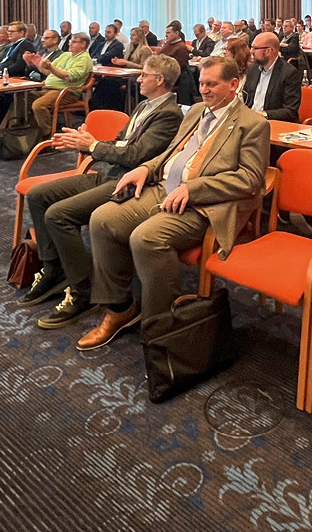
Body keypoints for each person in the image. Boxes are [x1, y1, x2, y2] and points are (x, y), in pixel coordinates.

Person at [78, 56, 270, 350]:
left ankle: (161, 324)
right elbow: (170, 153)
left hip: (202, 203)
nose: (204, 90)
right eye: (202, 83)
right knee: (103, 219)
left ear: (233, 85)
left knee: (146, 238)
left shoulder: (252, 124)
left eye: (212, 84)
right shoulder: (195, 112)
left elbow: (250, 179)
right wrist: (146, 168)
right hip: (164, 187)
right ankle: (119, 309)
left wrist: (194, 189)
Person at [20, 56, 184, 328]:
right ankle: (53, 269)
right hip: (108, 172)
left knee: (58, 216)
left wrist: (94, 146)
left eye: (144, 75)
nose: (139, 78)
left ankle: (83, 290)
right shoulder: (144, 105)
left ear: (160, 80)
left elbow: (135, 156)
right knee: (38, 196)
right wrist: (84, 143)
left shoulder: (169, 114)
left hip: (127, 184)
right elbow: (120, 142)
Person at [21, 33, 93, 138]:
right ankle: (15, 132)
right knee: (22, 98)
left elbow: (67, 77)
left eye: (73, 41)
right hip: (48, 88)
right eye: (70, 41)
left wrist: (50, 68)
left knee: (39, 105)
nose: (70, 44)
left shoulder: (84, 59)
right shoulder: (65, 55)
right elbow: (47, 71)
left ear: (83, 44)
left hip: (66, 91)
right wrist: (35, 62)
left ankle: (46, 136)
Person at [243, 32, 301, 121]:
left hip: (272, 122)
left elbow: (290, 111)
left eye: (255, 48)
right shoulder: (253, 69)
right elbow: (246, 99)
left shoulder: (289, 73)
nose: (251, 51)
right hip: (250, 120)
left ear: (268, 51)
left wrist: (263, 114)